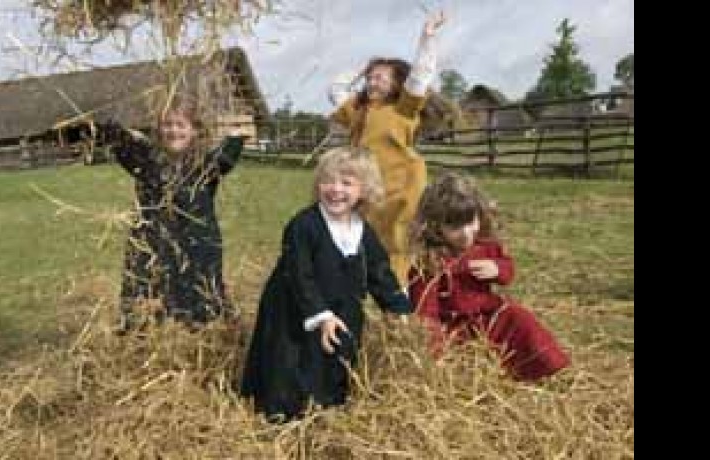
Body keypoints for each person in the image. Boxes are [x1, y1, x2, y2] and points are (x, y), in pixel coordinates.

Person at [240, 146, 413, 422]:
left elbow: (379, 273)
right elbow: (299, 274)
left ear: (364, 190)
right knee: (289, 365)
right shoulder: (304, 226)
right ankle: (282, 414)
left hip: (343, 310)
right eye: (328, 181)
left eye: (347, 182)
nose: (335, 189)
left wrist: (398, 307)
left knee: (335, 358)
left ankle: (327, 406)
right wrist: (320, 315)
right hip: (295, 309)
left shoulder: (363, 231)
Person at [99, 94, 246, 332]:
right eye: (167, 124)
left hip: (197, 244)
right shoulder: (146, 161)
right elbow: (116, 140)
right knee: (148, 299)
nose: (173, 131)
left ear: (194, 130)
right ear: (158, 128)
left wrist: (236, 136)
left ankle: (201, 335)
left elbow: (226, 157)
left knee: (200, 299)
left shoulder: (204, 166)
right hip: (152, 244)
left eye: (181, 125)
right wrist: (115, 125)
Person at [407, 171, 570, 381]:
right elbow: (425, 312)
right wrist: (435, 346)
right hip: (455, 328)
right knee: (457, 356)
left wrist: (497, 269)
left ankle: (547, 369)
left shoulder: (485, 247)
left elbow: (508, 270)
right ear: (435, 226)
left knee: (519, 316)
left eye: (470, 222)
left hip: (488, 317)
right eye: (455, 226)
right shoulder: (429, 262)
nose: (466, 233)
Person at [328, 10, 446, 289]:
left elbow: (421, 75)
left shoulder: (404, 108)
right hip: (366, 185)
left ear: (396, 83)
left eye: (380, 77)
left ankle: (399, 301)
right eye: (369, 78)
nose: (371, 82)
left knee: (397, 242)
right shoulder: (357, 111)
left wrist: (427, 39)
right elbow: (336, 87)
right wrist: (363, 68)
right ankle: (363, 286)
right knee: (361, 237)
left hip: (401, 186)